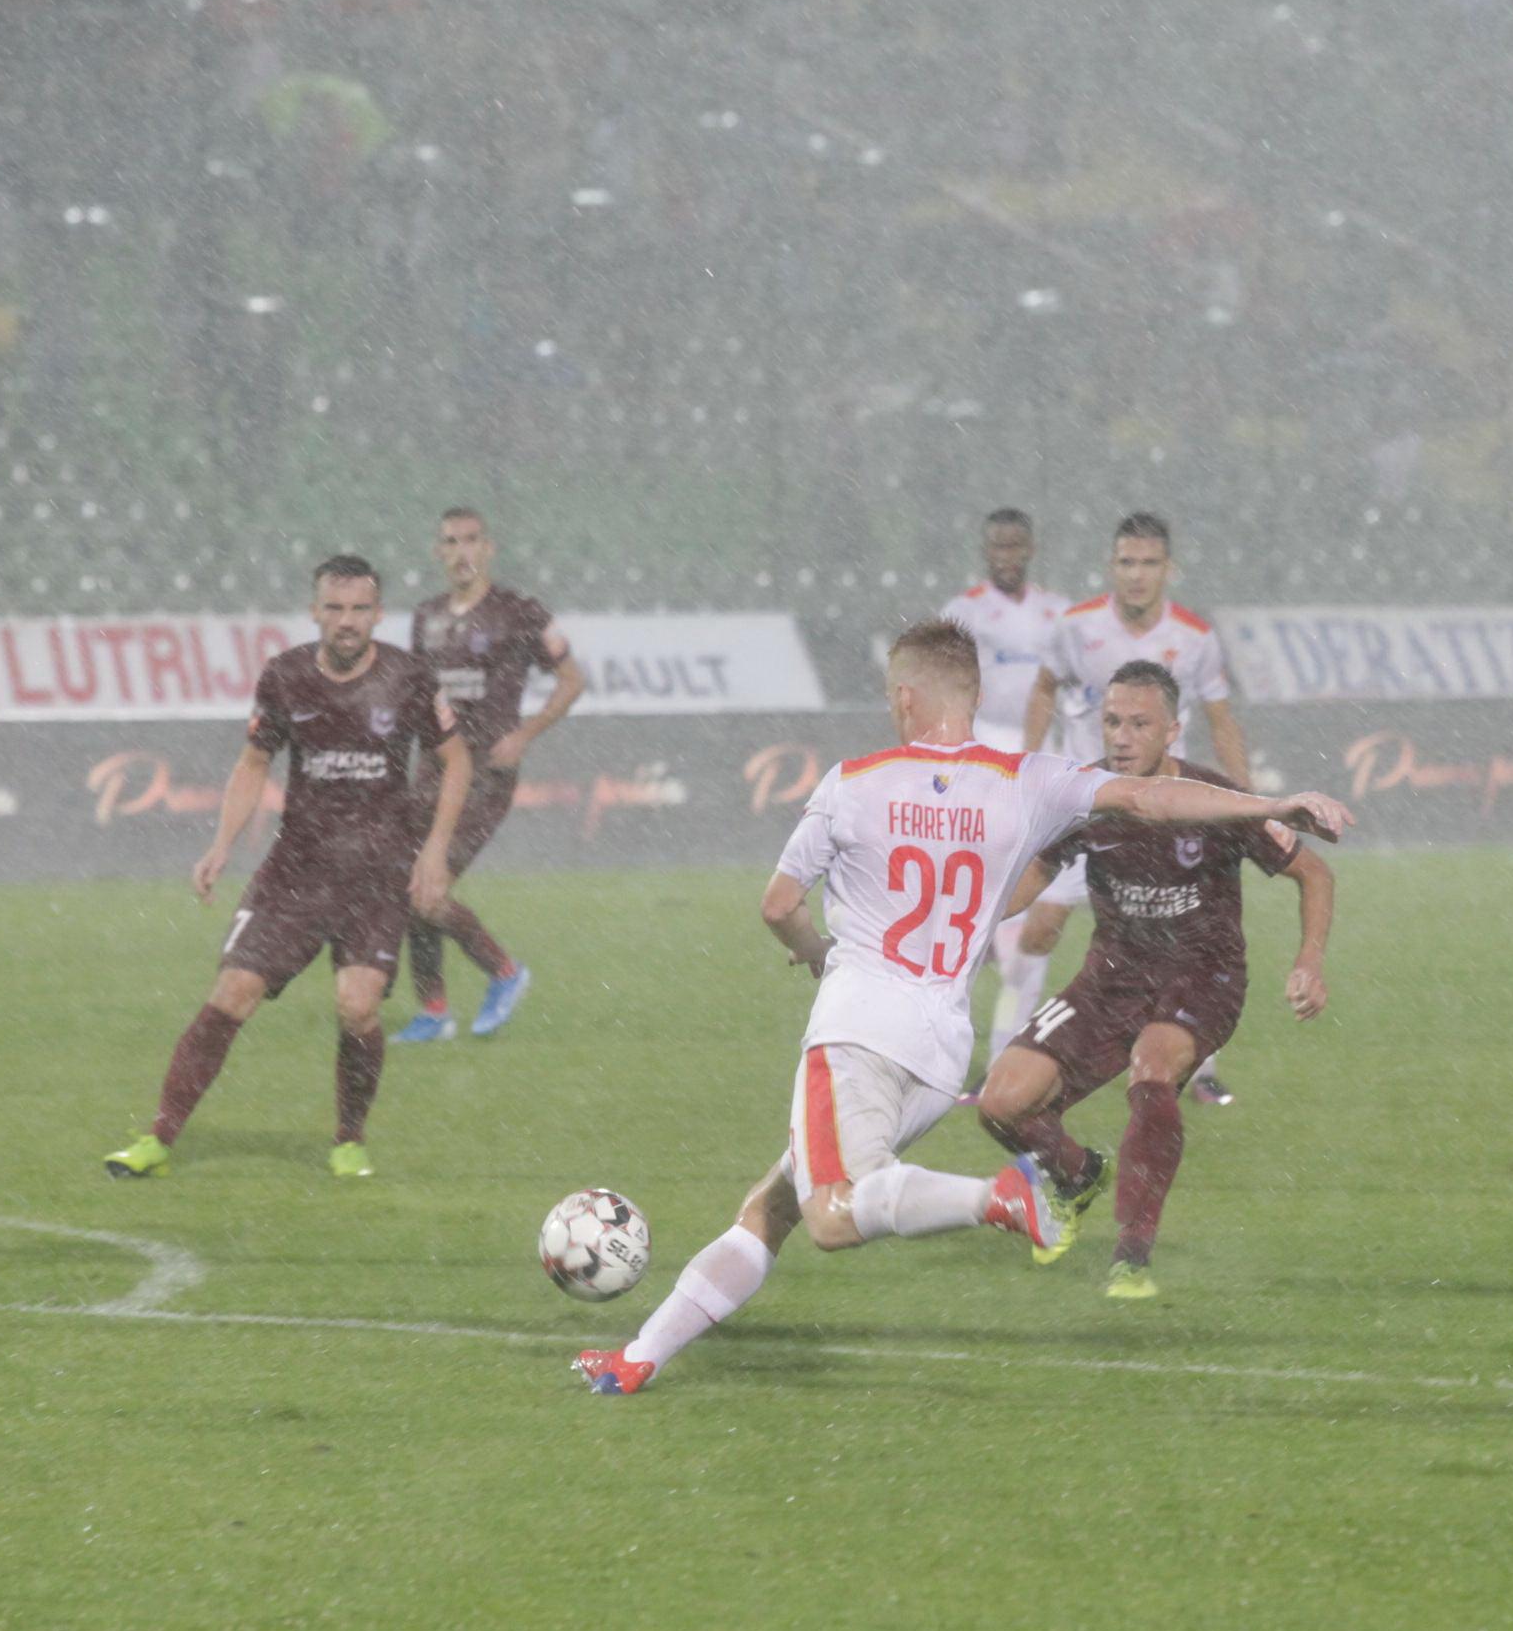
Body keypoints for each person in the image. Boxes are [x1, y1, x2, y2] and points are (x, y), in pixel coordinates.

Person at [572, 620, 1351, 1396]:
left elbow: (778, 905)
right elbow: (1151, 797)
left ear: (905, 697)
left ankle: (1000, 1196)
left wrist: (815, 953)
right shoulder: (1030, 781)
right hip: (940, 1051)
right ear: (975, 695)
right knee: (772, 1207)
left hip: (858, 1031)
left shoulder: (855, 780)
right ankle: (639, 1359)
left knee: (832, 1215)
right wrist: (1275, 802)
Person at [976, 660, 1333, 1298]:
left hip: (1202, 975)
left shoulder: (1215, 800)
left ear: (1173, 729)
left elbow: (1315, 874)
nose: (1121, 736)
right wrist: (972, 925)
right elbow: (1034, 873)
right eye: (1112, 721)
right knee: (1000, 1102)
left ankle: (1132, 1252)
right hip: (1112, 977)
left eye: (1139, 723)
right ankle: (1078, 1173)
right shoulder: (1086, 796)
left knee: (1153, 1065)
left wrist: (1308, 960)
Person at [104, 556, 468, 1181]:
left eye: (359, 610)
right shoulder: (285, 676)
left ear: (378, 615)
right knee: (231, 994)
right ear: (315, 611)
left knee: (357, 1007)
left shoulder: (409, 678)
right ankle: (158, 1139)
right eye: (335, 608)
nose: (347, 621)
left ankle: (349, 1139)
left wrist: (434, 851)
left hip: (377, 876)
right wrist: (221, 845)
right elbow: (253, 764)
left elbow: (456, 761)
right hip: (296, 871)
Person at [1018, 512, 1249, 1105]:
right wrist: (1027, 762)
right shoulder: (1076, 627)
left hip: (1169, 812)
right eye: (1127, 562)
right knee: (1039, 928)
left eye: (1149, 563)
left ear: (1168, 569)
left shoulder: (1194, 636)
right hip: (1089, 811)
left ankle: (1200, 1068)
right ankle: (1011, 1050)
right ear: (1111, 566)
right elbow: (1044, 688)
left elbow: (1222, 721)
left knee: (1187, 938)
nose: (1137, 575)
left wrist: (1246, 804)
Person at [393, 507, 583, 1043]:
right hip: (431, 768)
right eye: (451, 541)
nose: (462, 552)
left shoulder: (518, 610)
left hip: (485, 773)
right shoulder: (426, 616)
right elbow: (415, 695)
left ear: (489, 547)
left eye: (471, 540)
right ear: (438, 552)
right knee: (413, 885)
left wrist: (526, 733)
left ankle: (504, 971)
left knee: (427, 893)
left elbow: (571, 679)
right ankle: (433, 1012)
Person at [938, 507, 1074, 1060]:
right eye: (998, 546)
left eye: (1016, 546)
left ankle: (1000, 1057)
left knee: (1025, 936)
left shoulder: (1059, 613)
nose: (1007, 556)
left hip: (1041, 758)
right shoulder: (962, 613)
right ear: (985, 550)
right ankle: (967, 1050)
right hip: (983, 760)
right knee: (977, 916)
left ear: (1031, 549)